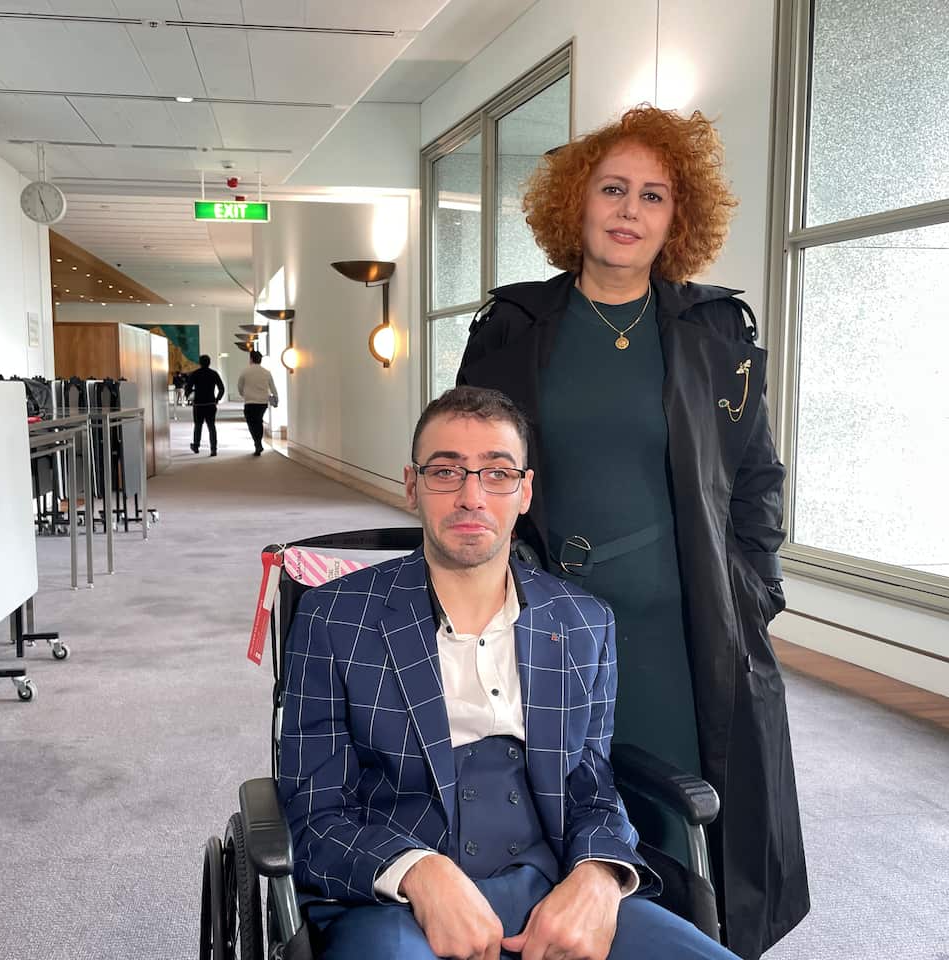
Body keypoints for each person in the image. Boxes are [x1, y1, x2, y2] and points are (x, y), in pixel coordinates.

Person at [456, 105, 809, 959]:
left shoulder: (712, 331)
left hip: (682, 636)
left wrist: (749, 594)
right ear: (575, 204)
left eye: (654, 196)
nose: (629, 210)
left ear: (676, 219)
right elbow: (466, 465)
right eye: (613, 188)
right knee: (550, 816)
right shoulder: (515, 328)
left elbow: (757, 479)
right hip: (546, 623)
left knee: (684, 819)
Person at [278, 386, 738, 960]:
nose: (472, 496)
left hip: (554, 880)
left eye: (497, 473)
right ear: (412, 484)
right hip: (392, 899)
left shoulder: (582, 622)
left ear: (524, 491)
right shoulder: (335, 617)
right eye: (446, 471)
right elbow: (312, 810)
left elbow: (590, 782)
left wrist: (599, 876)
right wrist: (420, 874)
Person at [237, 349, 278, 456]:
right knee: (258, 421)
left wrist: (244, 394)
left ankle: (257, 442)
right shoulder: (266, 372)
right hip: (262, 402)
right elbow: (273, 387)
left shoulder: (245, 371)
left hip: (250, 402)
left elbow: (240, 387)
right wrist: (276, 398)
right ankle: (258, 442)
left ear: (251, 359)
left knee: (251, 423)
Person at [184, 354, 225, 456]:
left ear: (200, 363)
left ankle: (196, 446)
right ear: (209, 362)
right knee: (211, 426)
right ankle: (213, 449)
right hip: (211, 403)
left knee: (198, 425)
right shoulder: (214, 373)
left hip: (198, 404)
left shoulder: (195, 374)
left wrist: (191, 396)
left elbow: (188, 388)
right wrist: (217, 399)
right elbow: (221, 388)